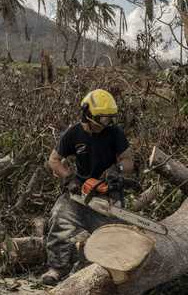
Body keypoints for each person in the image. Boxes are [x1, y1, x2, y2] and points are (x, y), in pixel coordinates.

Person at [41, 89, 138, 285]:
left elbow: (129, 160)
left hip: (108, 192)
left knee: (114, 236)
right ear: (87, 113)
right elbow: (54, 160)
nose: (106, 123)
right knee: (60, 216)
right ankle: (57, 268)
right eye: (102, 119)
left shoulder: (114, 133)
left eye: (109, 119)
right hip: (80, 192)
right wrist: (69, 178)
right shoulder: (74, 133)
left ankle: (107, 272)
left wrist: (116, 169)